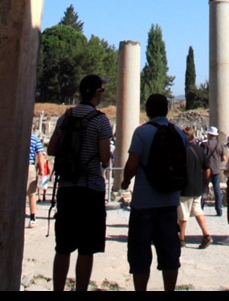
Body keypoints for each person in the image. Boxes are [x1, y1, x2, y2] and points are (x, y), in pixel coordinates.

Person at [48, 74, 113, 292]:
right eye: (102, 90)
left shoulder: (65, 117)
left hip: (66, 188)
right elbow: (105, 157)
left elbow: (52, 149)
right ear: (97, 93)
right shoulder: (100, 120)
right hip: (90, 188)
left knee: (63, 247)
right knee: (86, 248)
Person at [121, 93, 189, 291]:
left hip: (143, 204)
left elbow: (132, 164)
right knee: (170, 254)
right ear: (167, 110)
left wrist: (125, 181)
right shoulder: (179, 134)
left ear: (148, 110)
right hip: (169, 203)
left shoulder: (142, 133)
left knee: (140, 255)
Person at [178, 127, 213, 249]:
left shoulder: (181, 151)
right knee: (198, 211)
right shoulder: (199, 149)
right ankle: (206, 235)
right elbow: (207, 169)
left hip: (185, 188)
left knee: (183, 214)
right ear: (193, 137)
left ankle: (181, 239)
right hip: (198, 187)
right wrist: (205, 183)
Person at [202, 126, 226, 217]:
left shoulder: (206, 144)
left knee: (204, 189)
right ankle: (219, 209)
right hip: (216, 170)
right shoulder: (220, 144)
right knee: (217, 190)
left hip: (207, 170)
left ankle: (201, 208)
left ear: (210, 134)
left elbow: (203, 157)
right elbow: (224, 158)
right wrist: (217, 161)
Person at [27, 131, 46, 227]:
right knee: (32, 193)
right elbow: (40, 154)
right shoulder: (34, 138)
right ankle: (32, 218)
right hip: (29, 166)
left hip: (17, 165)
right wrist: (41, 170)